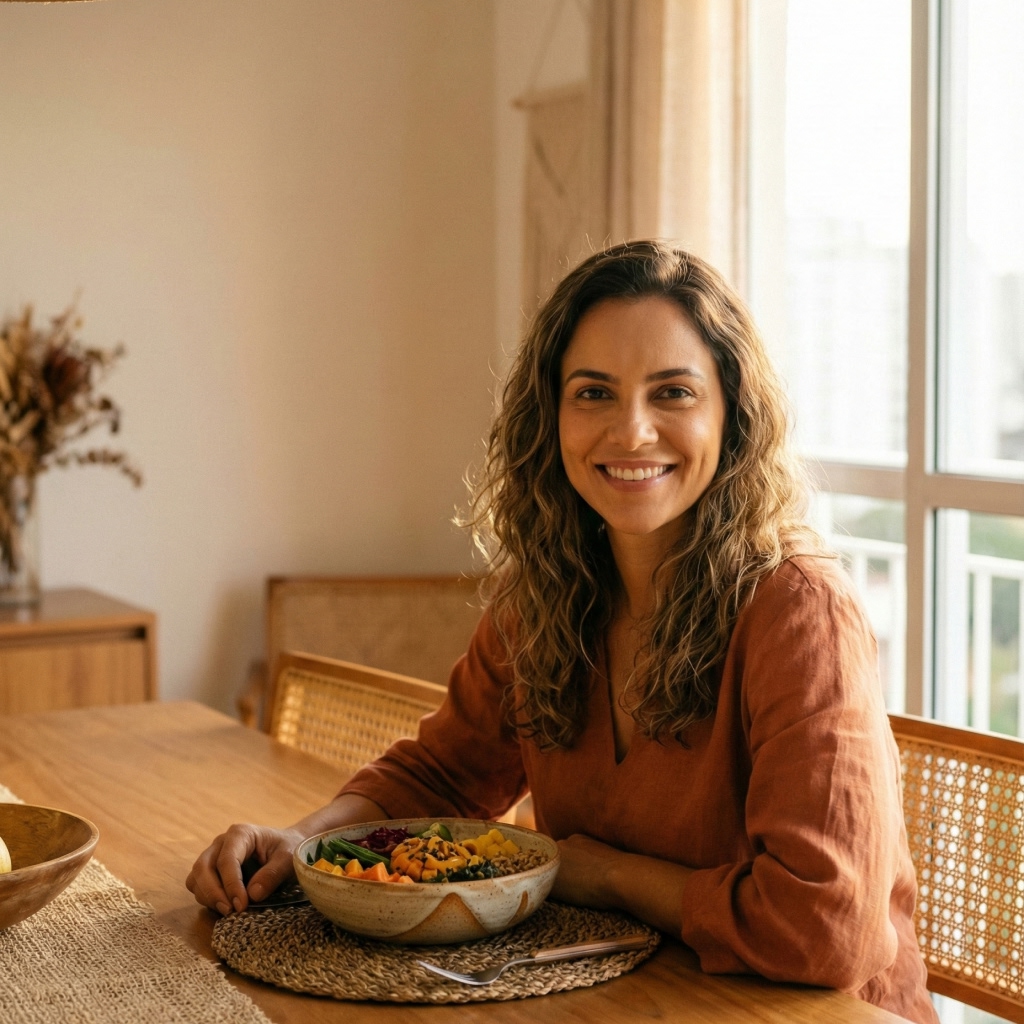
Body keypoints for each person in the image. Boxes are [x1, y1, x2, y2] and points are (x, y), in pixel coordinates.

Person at [187, 241, 937, 1024]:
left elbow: (824, 931)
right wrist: (299, 841)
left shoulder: (799, 609)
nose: (633, 431)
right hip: (621, 997)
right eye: (594, 393)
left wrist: (597, 874)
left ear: (733, 413)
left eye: (673, 391)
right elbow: (445, 778)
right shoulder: (542, 593)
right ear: (551, 416)